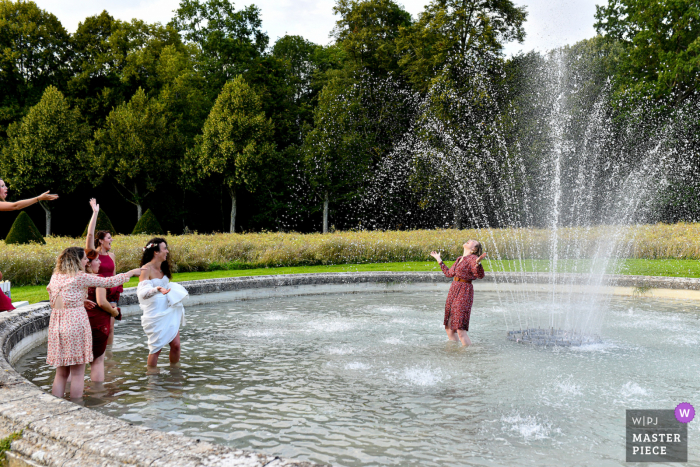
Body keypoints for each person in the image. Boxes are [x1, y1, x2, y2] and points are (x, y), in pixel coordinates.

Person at [46, 247, 142, 399]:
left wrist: (80, 300)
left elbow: (55, 300)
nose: (86, 261)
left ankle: (56, 404)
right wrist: (131, 273)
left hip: (57, 323)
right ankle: (77, 406)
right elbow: (109, 281)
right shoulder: (79, 276)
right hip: (75, 323)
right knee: (78, 373)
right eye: (84, 258)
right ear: (76, 261)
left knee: (62, 372)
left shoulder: (56, 276)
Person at [138, 238, 188, 368]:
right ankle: (152, 379)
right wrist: (157, 289)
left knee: (176, 345)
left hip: (169, 310)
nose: (167, 251)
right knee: (156, 349)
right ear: (155, 252)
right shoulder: (145, 269)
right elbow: (142, 293)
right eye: (164, 248)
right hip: (155, 312)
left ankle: (175, 373)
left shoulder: (164, 267)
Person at [430, 240, 487, 347]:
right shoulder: (459, 259)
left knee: (460, 329)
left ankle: (468, 355)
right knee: (449, 328)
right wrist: (439, 259)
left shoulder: (473, 259)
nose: (468, 241)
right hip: (453, 290)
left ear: (474, 249)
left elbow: (479, 275)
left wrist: (478, 264)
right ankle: (454, 352)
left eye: (472, 242)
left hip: (464, 291)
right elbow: (449, 273)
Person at [85, 199, 120, 345]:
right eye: (109, 238)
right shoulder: (93, 255)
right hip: (95, 292)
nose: (111, 239)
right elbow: (90, 235)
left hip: (110, 293)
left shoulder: (112, 256)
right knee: (96, 326)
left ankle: (109, 356)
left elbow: (114, 275)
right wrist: (95, 213)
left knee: (111, 327)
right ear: (101, 241)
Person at [84, 249, 121, 382]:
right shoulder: (97, 279)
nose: (100, 262)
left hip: (80, 323)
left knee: (76, 365)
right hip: (97, 323)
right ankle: (98, 394)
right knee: (98, 361)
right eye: (97, 260)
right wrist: (114, 312)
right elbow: (101, 302)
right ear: (88, 263)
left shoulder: (76, 278)